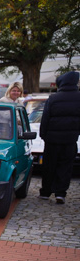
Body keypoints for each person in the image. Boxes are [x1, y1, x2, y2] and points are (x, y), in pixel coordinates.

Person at [39, 71, 80, 204]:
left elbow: (45, 118)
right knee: (66, 166)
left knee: (49, 165)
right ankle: (60, 193)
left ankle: (45, 191)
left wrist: (43, 135)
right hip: (70, 139)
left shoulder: (53, 98)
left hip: (52, 139)